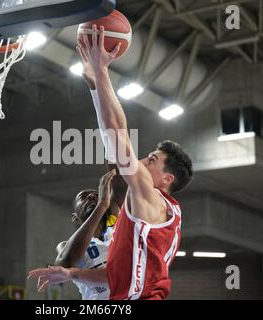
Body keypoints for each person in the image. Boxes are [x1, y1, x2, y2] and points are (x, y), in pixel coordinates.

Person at [28, 25, 193, 300]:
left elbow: (116, 134)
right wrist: (73, 275)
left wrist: (100, 73)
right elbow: (115, 277)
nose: (142, 161)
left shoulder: (151, 198)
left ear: (167, 179)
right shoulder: (149, 216)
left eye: (151, 160)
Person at [53, 167, 125, 300]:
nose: (92, 196)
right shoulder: (66, 245)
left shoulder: (116, 225)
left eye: (96, 195)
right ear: (75, 216)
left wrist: (112, 149)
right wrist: (101, 204)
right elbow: (64, 265)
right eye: (83, 197)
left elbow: (119, 180)